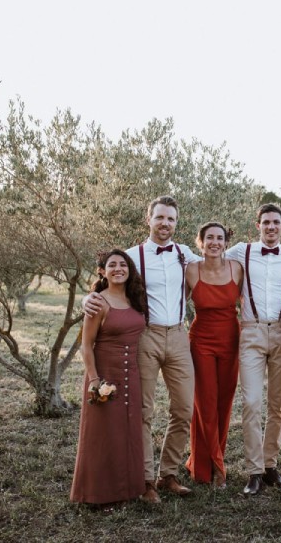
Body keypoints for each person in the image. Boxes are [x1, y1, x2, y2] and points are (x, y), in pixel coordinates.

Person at [83, 195, 201, 503]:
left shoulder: (185, 254)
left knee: (184, 408)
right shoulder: (132, 256)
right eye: (160, 217)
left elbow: (215, 264)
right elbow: (109, 280)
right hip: (145, 337)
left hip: (178, 335)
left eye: (171, 219)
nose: (165, 223)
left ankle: (169, 473)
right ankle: (146, 479)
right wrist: (88, 299)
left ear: (177, 223)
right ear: (148, 220)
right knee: (143, 410)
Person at [224, 203, 281, 496]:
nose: (271, 227)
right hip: (252, 332)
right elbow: (209, 254)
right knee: (252, 403)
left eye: (276, 223)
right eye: (266, 222)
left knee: (277, 404)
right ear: (257, 226)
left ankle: (270, 467)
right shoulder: (241, 251)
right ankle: (254, 471)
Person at [71, 250, 147, 509]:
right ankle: (98, 494)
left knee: (127, 432)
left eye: (122, 264)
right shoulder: (97, 303)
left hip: (131, 375)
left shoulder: (135, 298)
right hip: (105, 374)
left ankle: (128, 489)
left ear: (129, 269)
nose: (118, 268)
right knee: (102, 434)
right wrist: (94, 380)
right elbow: (87, 345)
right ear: (102, 272)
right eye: (111, 265)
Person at [184, 222, 242, 488]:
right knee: (204, 402)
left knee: (224, 401)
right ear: (200, 242)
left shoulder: (236, 269)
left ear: (225, 243)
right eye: (209, 238)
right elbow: (174, 299)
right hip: (201, 341)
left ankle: (207, 459)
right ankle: (214, 466)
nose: (215, 242)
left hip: (231, 339)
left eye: (219, 238)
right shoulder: (191, 270)